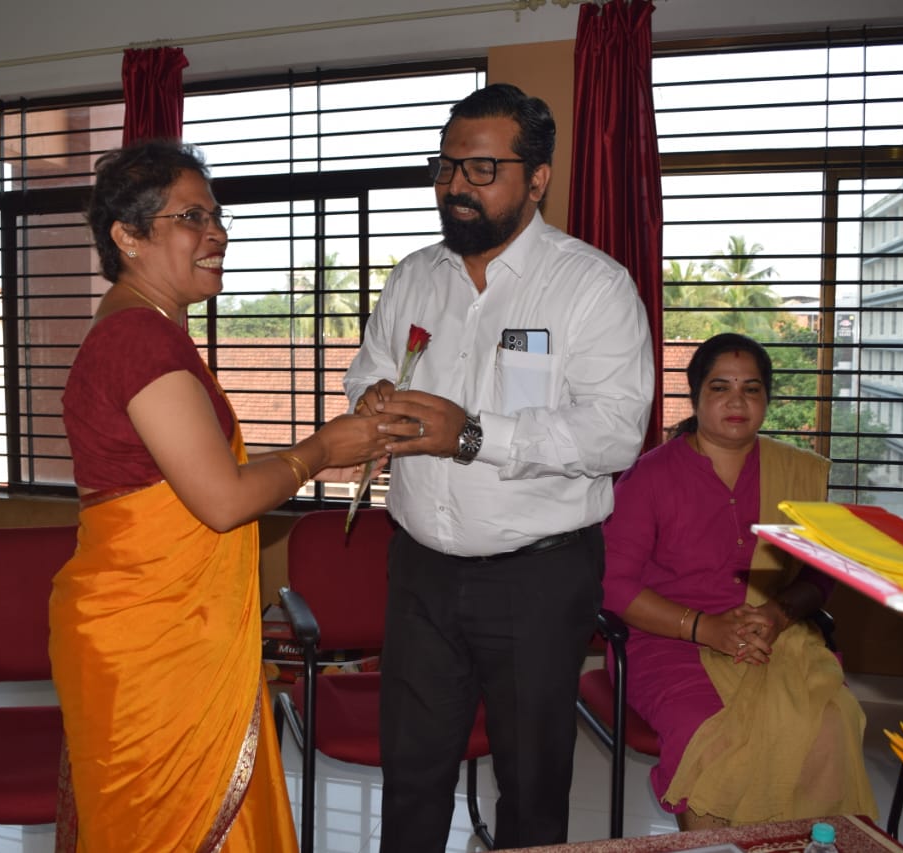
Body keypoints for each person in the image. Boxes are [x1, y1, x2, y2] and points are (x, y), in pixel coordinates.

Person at [50, 139, 393, 853]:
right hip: (152, 643)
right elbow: (222, 500)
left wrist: (329, 447)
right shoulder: (138, 341)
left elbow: (199, 479)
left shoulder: (148, 331)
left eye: (216, 216)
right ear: (128, 236)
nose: (217, 234)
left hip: (167, 633)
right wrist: (321, 451)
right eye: (191, 217)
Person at [344, 83, 654, 851]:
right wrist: (372, 394)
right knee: (411, 776)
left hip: (537, 578)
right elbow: (368, 367)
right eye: (446, 166)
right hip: (420, 571)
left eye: (482, 169)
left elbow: (616, 432)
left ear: (537, 177)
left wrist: (475, 435)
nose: (456, 185)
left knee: (533, 785)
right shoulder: (415, 276)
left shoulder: (592, 285)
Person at [601, 332, 878, 828]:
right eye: (720, 387)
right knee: (712, 732)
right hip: (668, 640)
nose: (737, 401)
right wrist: (703, 627)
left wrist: (778, 613)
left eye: (751, 389)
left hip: (773, 634)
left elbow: (819, 569)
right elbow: (614, 585)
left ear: (767, 399)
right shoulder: (649, 477)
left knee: (829, 723)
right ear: (695, 396)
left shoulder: (794, 472)